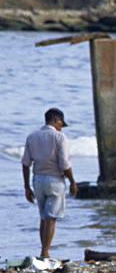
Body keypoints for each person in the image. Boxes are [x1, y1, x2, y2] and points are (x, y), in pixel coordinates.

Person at [21, 108, 77, 258]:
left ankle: (44, 250)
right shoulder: (59, 137)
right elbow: (64, 163)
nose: (60, 126)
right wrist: (72, 182)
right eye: (60, 123)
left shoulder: (32, 137)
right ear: (55, 121)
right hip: (54, 179)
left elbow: (25, 163)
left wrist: (26, 186)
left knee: (44, 217)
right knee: (51, 218)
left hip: (37, 179)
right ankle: (45, 252)